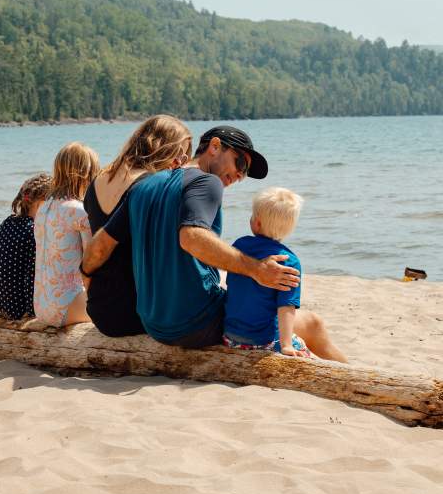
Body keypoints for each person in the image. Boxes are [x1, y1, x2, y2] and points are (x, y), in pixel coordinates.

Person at [81, 125, 301, 348]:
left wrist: (85, 275)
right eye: (240, 163)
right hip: (196, 322)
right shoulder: (207, 182)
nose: (239, 175)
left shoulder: (144, 185)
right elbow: (191, 237)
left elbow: (100, 244)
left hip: (153, 324)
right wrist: (258, 270)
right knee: (307, 323)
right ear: (215, 146)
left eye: (244, 174)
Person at [83, 115, 192, 337]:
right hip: (137, 313)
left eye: (187, 157)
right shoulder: (149, 187)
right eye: (181, 154)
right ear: (164, 147)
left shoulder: (98, 180)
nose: (181, 162)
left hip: (101, 309)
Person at [223, 187, 347, 362]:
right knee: (307, 356)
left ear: (256, 223)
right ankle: (346, 367)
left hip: (231, 337)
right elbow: (286, 308)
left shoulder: (239, 246)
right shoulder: (289, 261)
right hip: (262, 342)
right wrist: (287, 345)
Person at [33, 142, 100, 327]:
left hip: (41, 305)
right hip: (67, 305)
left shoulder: (43, 207)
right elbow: (92, 262)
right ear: (86, 173)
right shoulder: (79, 211)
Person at [0, 172, 52, 319]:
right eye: (52, 203)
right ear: (41, 203)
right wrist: (31, 313)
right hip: (20, 310)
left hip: (2, 304)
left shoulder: (7, 223)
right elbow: (31, 276)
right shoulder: (34, 230)